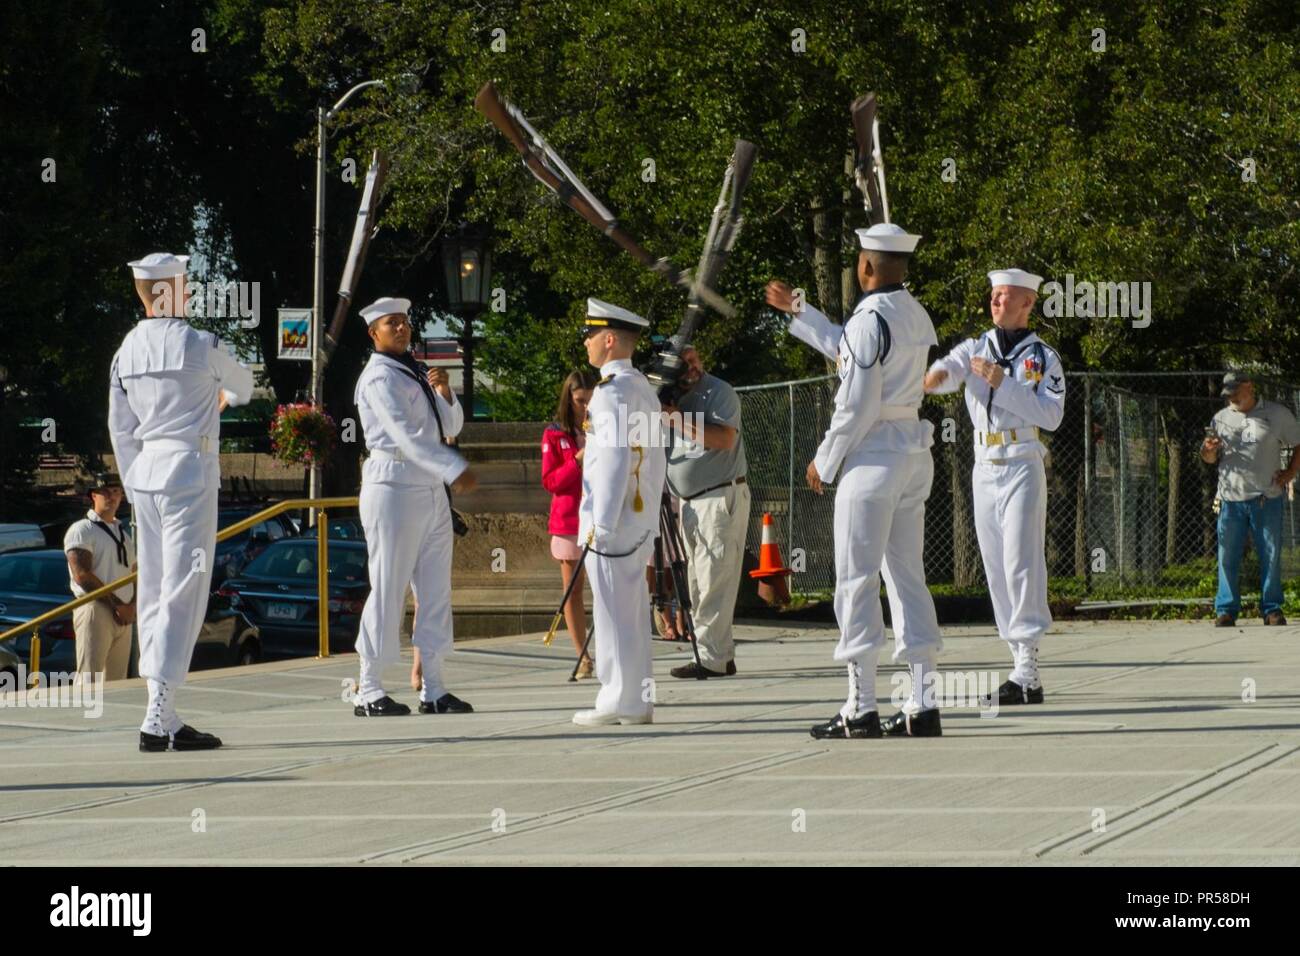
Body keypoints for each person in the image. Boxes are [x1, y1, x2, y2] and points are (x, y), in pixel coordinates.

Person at [766, 222, 944, 739]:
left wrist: (825, 458)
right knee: (907, 577)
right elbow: (848, 351)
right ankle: (923, 702)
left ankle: (860, 707)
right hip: (912, 451)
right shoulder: (911, 313)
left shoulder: (871, 318)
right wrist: (799, 309)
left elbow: (856, 399)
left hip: (873, 457)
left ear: (866, 266)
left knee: (856, 581)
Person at [109, 252, 254, 751]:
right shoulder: (200, 343)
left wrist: (133, 484)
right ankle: (159, 712)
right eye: (185, 283)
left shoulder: (126, 350)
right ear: (173, 289)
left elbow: (120, 427)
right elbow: (246, 386)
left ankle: (161, 709)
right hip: (189, 473)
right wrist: (222, 397)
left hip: (146, 476)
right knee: (183, 591)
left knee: (153, 590)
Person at [925, 269, 1065, 706]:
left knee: (1021, 560)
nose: (996, 302)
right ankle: (1018, 663)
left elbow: (1052, 415)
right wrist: (933, 376)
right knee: (996, 567)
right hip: (984, 463)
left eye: (1005, 296)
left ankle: (1028, 668)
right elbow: (947, 370)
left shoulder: (1041, 357)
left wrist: (1002, 384)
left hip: (1022, 459)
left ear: (1027, 303)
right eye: (993, 295)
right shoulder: (975, 347)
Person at [352, 296, 478, 716]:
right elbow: (405, 435)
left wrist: (444, 393)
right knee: (388, 587)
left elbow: (451, 427)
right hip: (395, 485)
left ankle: (435, 687)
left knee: (435, 590)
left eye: (405, 322)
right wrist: (452, 467)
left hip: (427, 487)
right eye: (392, 323)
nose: (402, 328)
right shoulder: (379, 378)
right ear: (374, 333)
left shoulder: (415, 373)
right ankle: (369, 687)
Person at [573, 298, 667, 726]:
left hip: (612, 520)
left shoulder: (610, 394)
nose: (587, 343)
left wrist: (601, 523)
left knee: (612, 613)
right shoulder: (643, 389)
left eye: (591, 335)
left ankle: (615, 697)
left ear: (609, 340)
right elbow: (654, 457)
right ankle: (637, 700)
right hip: (639, 515)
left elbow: (611, 461)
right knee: (632, 610)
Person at [662, 345, 750, 679]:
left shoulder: (718, 392)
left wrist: (673, 418)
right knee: (699, 585)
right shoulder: (667, 398)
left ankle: (711, 659)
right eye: (684, 363)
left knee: (715, 579)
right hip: (688, 503)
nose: (693, 367)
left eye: (696, 359)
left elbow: (725, 439)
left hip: (719, 496)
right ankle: (716, 655)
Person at [1200, 370, 1300, 627]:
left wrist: (1290, 471)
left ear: (1249, 387)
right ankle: (1226, 610)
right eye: (1228, 393)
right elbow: (1209, 459)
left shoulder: (1277, 414)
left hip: (1266, 497)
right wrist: (1208, 451)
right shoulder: (1220, 418)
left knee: (1270, 553)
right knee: (1227, 556)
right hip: (1230, 499)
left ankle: (1272, 608)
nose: (1231, 397)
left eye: (1235, 391)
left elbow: (1298, 442)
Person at [541, 370, 598, 677]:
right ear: (569, 400)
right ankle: (583, 655)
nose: (585, 407)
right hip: (569, 519)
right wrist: (577, 460)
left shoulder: (603, 428)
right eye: (580, 401)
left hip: (601, 516)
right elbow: (551, 481)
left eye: (590, 401)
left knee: (606, 587)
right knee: (573, 590)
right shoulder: (554, 433)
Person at [64, 472, 136, 683]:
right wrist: (117, 605)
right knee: (89, 678)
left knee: (117, 681)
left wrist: (132, 605)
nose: (111, 497)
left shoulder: (124, 535)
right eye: (105, 492)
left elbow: (134, 574)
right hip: (96, 608)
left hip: (123, 614)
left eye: (115, 492)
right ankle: (81, 716)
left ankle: (114, 717)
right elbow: (82, 575)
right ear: (93, 496)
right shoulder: (82, 529)